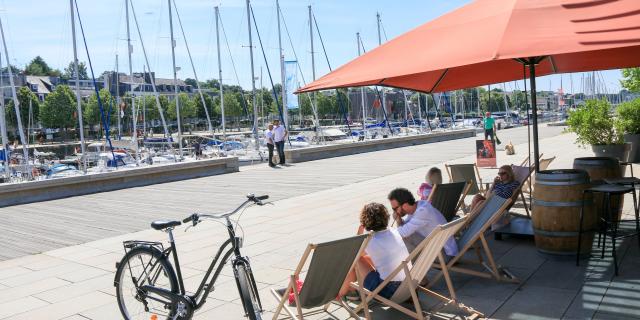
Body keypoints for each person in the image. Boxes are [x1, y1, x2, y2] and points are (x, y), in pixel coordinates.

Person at [338, 203, 410, 299]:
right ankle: (351, 290)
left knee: (356, 259)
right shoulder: (394, 231)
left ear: (365, 221)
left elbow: (352, 255)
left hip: (388, 290)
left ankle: (344, 293)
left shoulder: (371, 240)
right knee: (366, 257)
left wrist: (359, 235)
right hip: (408, 285)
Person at [388, 188, 458, 257]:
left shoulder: (422, 211)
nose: (394, 212)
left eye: (395, 208)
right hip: (439, 246)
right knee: (404, 237)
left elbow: (402, 233)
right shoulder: (419, 206)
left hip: (443, 252)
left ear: (405, 204)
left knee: (404, 239)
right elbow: (404, 228)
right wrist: (399, 220)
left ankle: (405, 265)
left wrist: (384, 237)